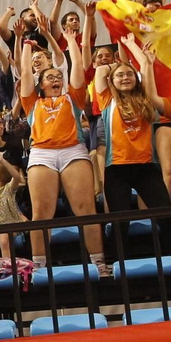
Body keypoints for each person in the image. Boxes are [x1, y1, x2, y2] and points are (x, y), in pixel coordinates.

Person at [20, 24, 104, 272]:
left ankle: (99, 263)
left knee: (86, 210)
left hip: (73, 150)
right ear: (41, 84)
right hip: (42, 153)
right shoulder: (32, 102)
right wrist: (25, 44)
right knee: (41, 213)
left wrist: (71, 42)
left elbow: (77, 68)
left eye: (58, 77)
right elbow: (25, 72)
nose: (55, 79)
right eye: (50, 78)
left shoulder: (72, 97)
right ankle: (39, 267)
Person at [94, 35, 171, 250]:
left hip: (146, 166)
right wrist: (122, 56)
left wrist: (132, 47)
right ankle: (119, 264)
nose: (125, 77)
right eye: (120, 75)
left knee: (165, 215)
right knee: (121, 222)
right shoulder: (107, 99)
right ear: (112, 81)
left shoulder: (146, 96)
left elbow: (146, 67)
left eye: (130, 74)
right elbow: (101, 71)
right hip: (116, 168)